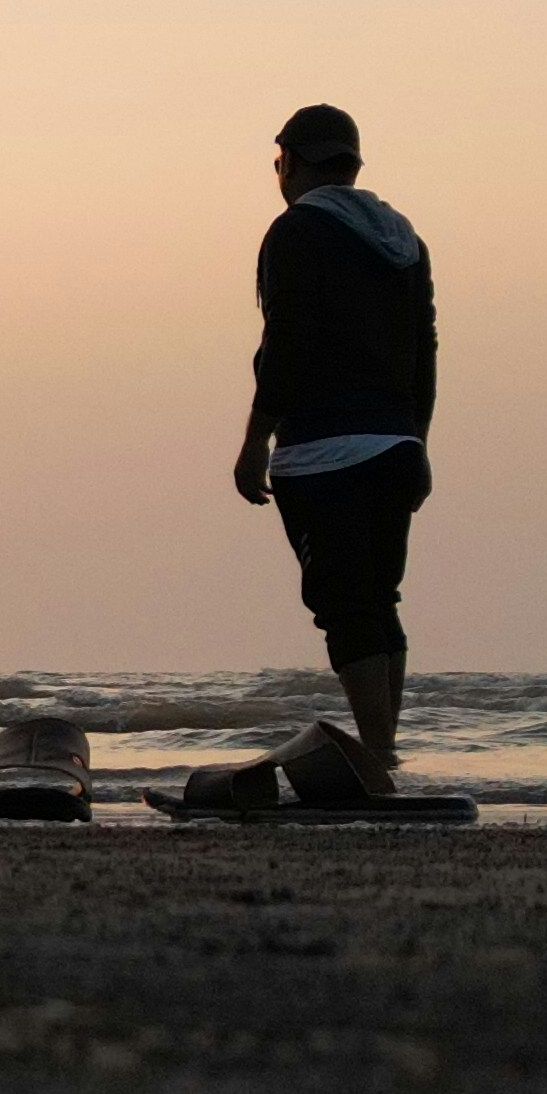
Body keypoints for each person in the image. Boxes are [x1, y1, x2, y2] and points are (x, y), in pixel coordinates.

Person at [233, 101, 435, 757]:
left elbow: (287, 341)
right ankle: (385, 750)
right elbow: (424, 350)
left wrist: (254, 440)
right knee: (379, 600)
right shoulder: (404, 237)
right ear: (352, 165)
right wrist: (417, 440)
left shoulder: (296, 233)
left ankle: (377, 758)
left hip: (326, 453)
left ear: (289, 162)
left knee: (344, 605)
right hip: (395, 445)